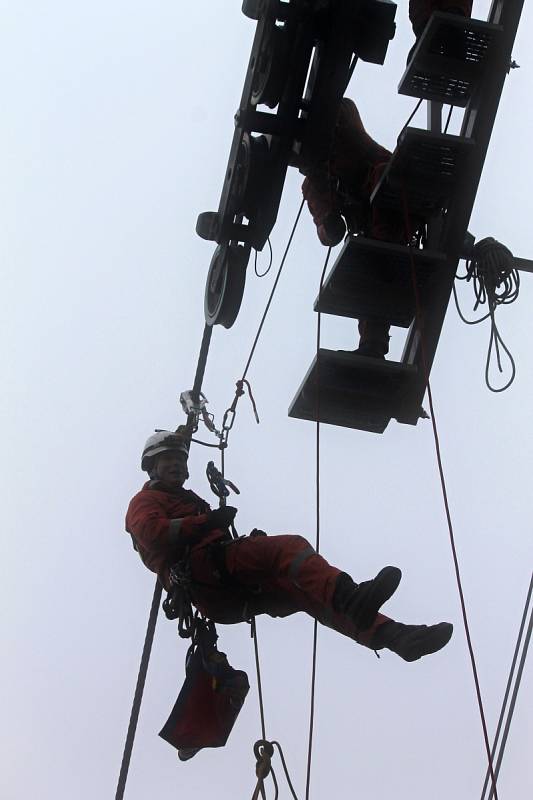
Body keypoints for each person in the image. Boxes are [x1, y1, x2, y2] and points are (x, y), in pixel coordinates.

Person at [126, 431, 453, 662]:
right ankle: (351, 596)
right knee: (289, 549)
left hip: (224, 593)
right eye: (168, 460)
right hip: (205, 576)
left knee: (306, 592)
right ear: (152, 467)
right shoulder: (146, 501)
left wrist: (229, 535)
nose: (177, 467)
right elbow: (153, 532)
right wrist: (207, 523)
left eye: (181, 462)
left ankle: (396, 638)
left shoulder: (186, 500)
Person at [301, 0, 473, 357]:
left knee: (382, 209)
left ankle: (442, 25)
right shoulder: (320, 176)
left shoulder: (346, 129)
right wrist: (330, 222)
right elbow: (322, 210)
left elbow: (347, 128)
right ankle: (373, 343)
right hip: (383, 214)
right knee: (376, 265)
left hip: (393, 192)